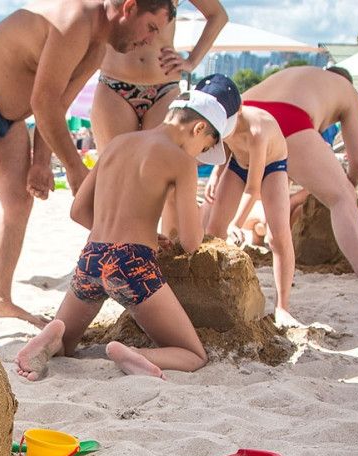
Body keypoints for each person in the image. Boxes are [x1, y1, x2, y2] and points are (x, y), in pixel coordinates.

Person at [0, 0, 176, 327]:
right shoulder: (76, 18)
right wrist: (74, 169)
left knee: (19, 202)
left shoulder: (97, 49)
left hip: (12, 114)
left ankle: (0, 300)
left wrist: (42, 162)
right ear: (129, 8)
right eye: (151, 28)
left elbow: (56, 105)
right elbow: (43, 101)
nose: (149, 41)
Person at [15, 80, 240, 381]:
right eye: (206, 147)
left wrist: (131, 230)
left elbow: (78, 211)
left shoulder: (117, 144)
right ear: (199, 128)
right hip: (132, 265)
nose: (200, 155)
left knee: (67, 345)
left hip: (91, 258)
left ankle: (54, 339)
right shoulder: (181, 161)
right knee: (193, 355)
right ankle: (136, 354)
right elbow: (190, 241)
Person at [242, 66, 358, 277]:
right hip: (287, 115)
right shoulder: (347, 90)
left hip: (243, 110)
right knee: (342, 197)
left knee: (218, 197)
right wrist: (349, 185)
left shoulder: (301, 74)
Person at [200, 74, 297, 327]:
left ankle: (283, 306)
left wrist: (237, 223)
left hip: (273, 166)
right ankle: (212, 294)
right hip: (237, 164)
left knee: (278, 236)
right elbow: (225, 144)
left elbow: (253, 188)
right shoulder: (219, 125)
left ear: (239, 109)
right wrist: (216, 173)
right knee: (214, 230)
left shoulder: (256, 131)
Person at [91, 0, 227, 151]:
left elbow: (218, 15)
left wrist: (192, 62)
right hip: (114, 82)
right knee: (113, 162)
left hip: (164, 87)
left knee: (161, 161)